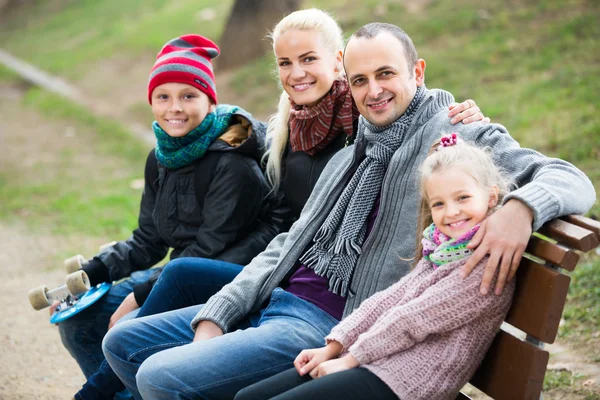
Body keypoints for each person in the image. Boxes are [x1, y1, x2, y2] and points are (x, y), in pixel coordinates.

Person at [103, 18, 595, 400]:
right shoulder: (352, 151)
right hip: (278, 302)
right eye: (360, 80)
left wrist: (521, 209)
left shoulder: (453, 135)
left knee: (161, 376)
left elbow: (570, 178)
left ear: (417, 72)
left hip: (328, 323)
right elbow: (287, 245)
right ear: (347, 82)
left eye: (386, 74)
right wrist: (221, 311)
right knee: (121, 343)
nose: (373, 90)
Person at [62, 34, 288, 400]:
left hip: (224, 276)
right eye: (162, 96)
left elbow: (207, 251)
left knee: (130, 327)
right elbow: (149, 238)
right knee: (78, 319)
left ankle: (101, 392)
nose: (174, 108)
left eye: (188, 96)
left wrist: (139, 294)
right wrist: (95, 272)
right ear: (150, 100)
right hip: (176, 272)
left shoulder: (231, 164)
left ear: (210, 101)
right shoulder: (162, 157)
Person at [234, 133, 516, 400]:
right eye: (439, 204)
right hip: (380, 361)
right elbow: (387, 301)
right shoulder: (443, 250)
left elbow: (412, 319)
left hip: (410, 383)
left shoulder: (483, 264)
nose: (451, 212)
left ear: (491, 197)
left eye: (462, 198)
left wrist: (349, 359)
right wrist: (333, 347)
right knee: (247, 396)